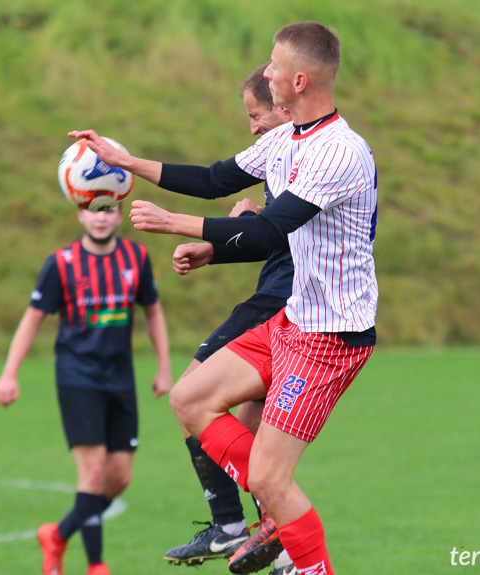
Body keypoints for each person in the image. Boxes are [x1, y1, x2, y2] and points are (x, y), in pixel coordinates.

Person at [70, 21, 378, 575]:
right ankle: (270, 520)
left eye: (274, 66)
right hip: (290, 319)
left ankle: (292, 542)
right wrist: (128, 161)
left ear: (300, 80)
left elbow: (266, 233)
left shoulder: (338, 153)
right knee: (190, 399)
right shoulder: (287, 139)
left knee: (269, 479)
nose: (266, 72)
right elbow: (215, 179)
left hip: (330, 335)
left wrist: (173, 225)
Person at [160, 64, 298, 575]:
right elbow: (274, 233)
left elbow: (279, 234)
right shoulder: (288, 157)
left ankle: (236, 525)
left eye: (255, 115)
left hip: (281, 306)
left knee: (194, 394)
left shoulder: (315, 156)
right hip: (281, 299)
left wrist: (221, 230)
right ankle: (276, 545)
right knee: (247, 427)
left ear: (285, 110)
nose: (252, 126)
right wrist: (216, 246)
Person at [0, 204, 173, 575]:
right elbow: (32, 318)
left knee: (118, 478)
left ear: (120, 215)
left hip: (121, 379)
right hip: (78, 378)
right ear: (80, 215)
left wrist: (164, 367)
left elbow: (152, 311)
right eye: (93, 210)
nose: (101, 217)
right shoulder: (61, 263)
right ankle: (96, 566)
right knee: (92, 473)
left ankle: (57, 535)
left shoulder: (135, 257)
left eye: (108, 209)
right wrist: (9, 374)